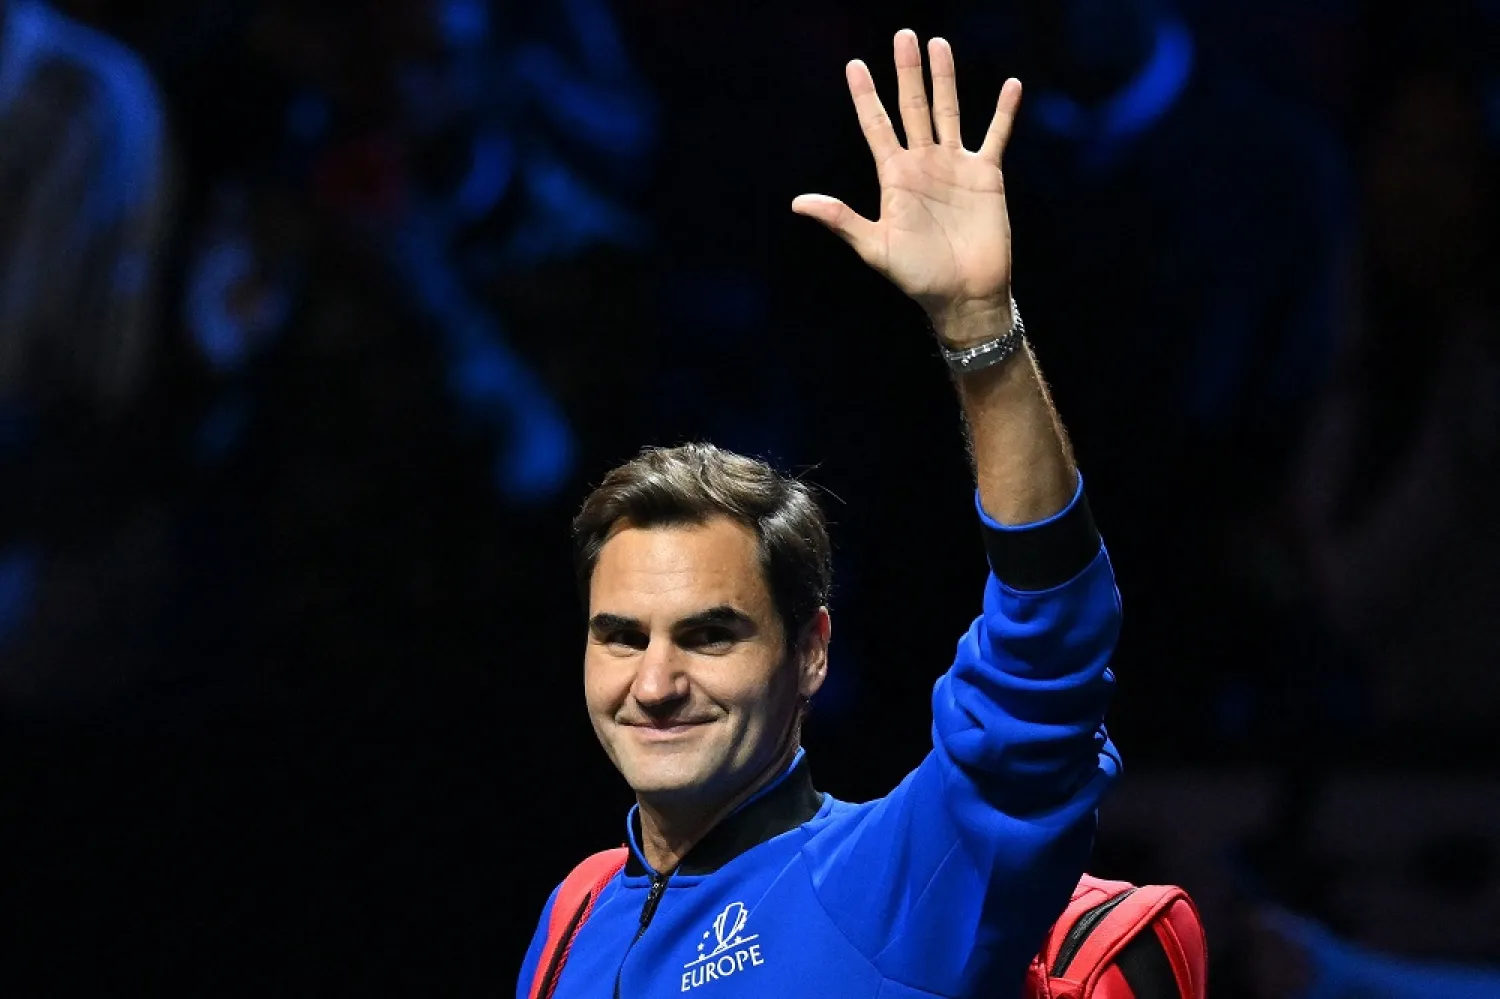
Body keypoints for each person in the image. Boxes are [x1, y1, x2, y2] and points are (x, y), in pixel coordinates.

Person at [517, 31, 1122, 998]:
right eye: (621, 636)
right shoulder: (577, 913)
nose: (656, 680)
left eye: (712, 635)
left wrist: (981, 331)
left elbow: (1048, 651)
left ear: (810, 652)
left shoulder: (890, 879)